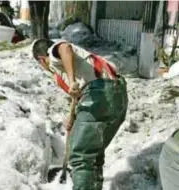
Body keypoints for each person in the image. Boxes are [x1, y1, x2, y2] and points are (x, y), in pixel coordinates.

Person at [32, 39, 128, 190]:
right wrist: (73, 116)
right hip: (118, 96)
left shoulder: (53, 54)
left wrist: (71, 81)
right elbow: (79, 95)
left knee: (80, 156)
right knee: (93, 152)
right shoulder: (67, 69)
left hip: (99, 93)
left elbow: (65, 48)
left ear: (41, 60)